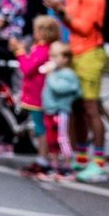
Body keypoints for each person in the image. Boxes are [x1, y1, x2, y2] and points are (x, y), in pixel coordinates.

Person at [45, 0, 107, 182]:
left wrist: (59, 9)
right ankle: (81, 157)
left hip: (89, 53)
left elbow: (84, 27)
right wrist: (59, 9)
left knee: (91, 109)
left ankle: (98, 161)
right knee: (78, 108)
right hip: (77, 51)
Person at [16, 16, 62, 177]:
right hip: (37, 95)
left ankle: (43, 158)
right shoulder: (44, 49)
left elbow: (27, 68)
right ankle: (45, 157)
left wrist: (20, 53)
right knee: (41, 127)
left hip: (38, 97)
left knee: (41, 128)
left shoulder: (43, 50)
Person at [41, 42, 82, 181]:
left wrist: (50, 74)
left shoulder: (67, 74)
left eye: (55, 56)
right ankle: (54, 165)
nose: (51, 59)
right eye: (50, 56)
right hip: (50, 111)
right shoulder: (56, 73)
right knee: (51, 139)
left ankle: (67, 166)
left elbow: (60, 88)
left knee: (62, 138)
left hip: (60, 111)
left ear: (66, 58)